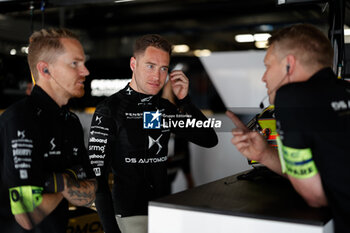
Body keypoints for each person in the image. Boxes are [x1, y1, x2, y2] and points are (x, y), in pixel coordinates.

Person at [87, 34, 218, 233]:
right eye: (150, 66)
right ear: (133, 64)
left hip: (163, 211)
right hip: (129, 215)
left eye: (163, 68)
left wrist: (185, 102)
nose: (157, 76)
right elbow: (97, 178)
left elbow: (209, 139)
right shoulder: (110, 110)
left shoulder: (162, 109)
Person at [226, 24, 350, 233]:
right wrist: (264, 153)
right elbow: (329, 175)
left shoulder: (292, 97)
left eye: (268, 66)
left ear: (289, 65)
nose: (264, 77)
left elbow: (315, 196)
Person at [0, 28, 97, 233]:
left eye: (83, 63)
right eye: (75, 64)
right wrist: (69, 179)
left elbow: (91, 192)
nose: (85, 71)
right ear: (45, 70)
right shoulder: (19, 119)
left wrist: (54, 181)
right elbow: (27, 215)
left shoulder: (70, 121)